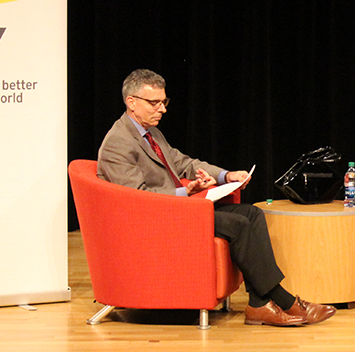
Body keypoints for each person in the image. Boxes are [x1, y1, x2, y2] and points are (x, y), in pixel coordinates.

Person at [97, 69, 335, 327]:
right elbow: (137, 198)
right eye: (154, 103)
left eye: (164, 102)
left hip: (177, 210)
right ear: (131, 102)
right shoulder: (118, 142)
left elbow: (183, 162)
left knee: (251, 213)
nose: (162, 109)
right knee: (238, 225)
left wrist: (226, 176)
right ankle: (285, 300)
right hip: (153, 220)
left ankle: (258, 305)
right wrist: (183, 192)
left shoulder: (150, 132)